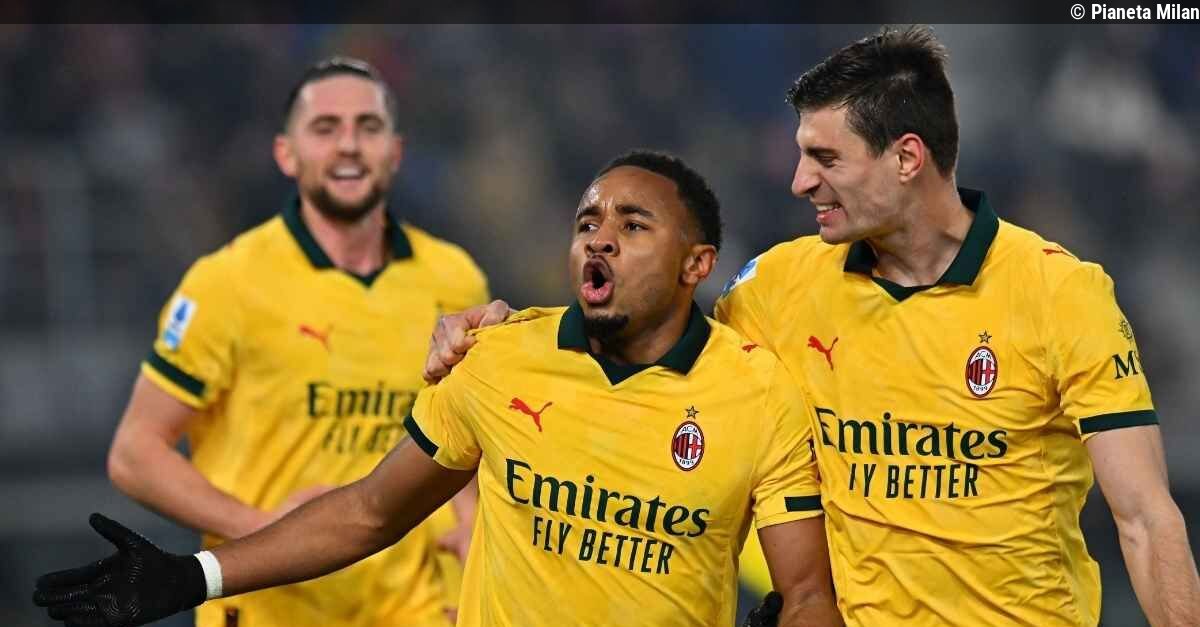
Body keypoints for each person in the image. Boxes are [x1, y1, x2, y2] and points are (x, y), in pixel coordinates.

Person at [422, 27, 1200, 627]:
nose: (800, 182)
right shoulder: (780, 286)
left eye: (826, 158)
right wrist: (510, 330)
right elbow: (644, 360)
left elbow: (1143, 517)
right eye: (801, 155)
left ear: (907, 157)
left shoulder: (1060, 293)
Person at [33, 151, 842, 627]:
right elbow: (368, 511)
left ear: (698, 264)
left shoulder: (758, 392)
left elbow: (804, 591)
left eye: (633, 226)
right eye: (587, 222)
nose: (599, 238)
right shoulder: (498, 359)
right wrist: (193, 575)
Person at [100, 57, 490, 627]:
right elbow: (135, 454)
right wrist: (266, 532)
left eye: (368, 127)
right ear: (286, 154)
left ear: (396, 151)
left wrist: (473, 515)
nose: (349, 145)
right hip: (271, 606)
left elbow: (461, 433)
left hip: (415, 606)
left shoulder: (455, 279)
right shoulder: (227, 283)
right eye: (325, 128)